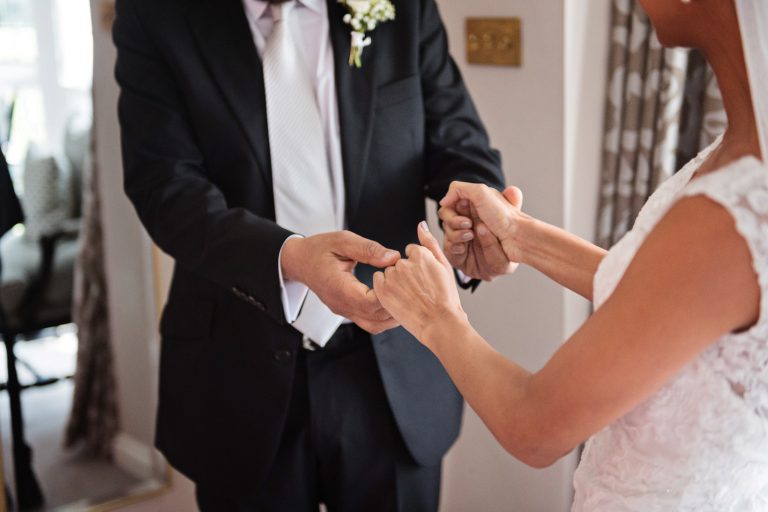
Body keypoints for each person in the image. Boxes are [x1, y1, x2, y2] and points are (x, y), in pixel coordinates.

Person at [374, 0, 768, 509]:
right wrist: (518, 234)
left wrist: (435, 316)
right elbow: (664, 303)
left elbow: (535, 425)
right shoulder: (741, 152)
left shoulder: (734, 211)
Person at [113, 0, 506, 509]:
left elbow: (457, 140)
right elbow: (165, 187)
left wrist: (476, 217)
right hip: (236, 372)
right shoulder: (155, 15)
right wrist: (289, 259)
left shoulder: (401, 7)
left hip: (392, 372)